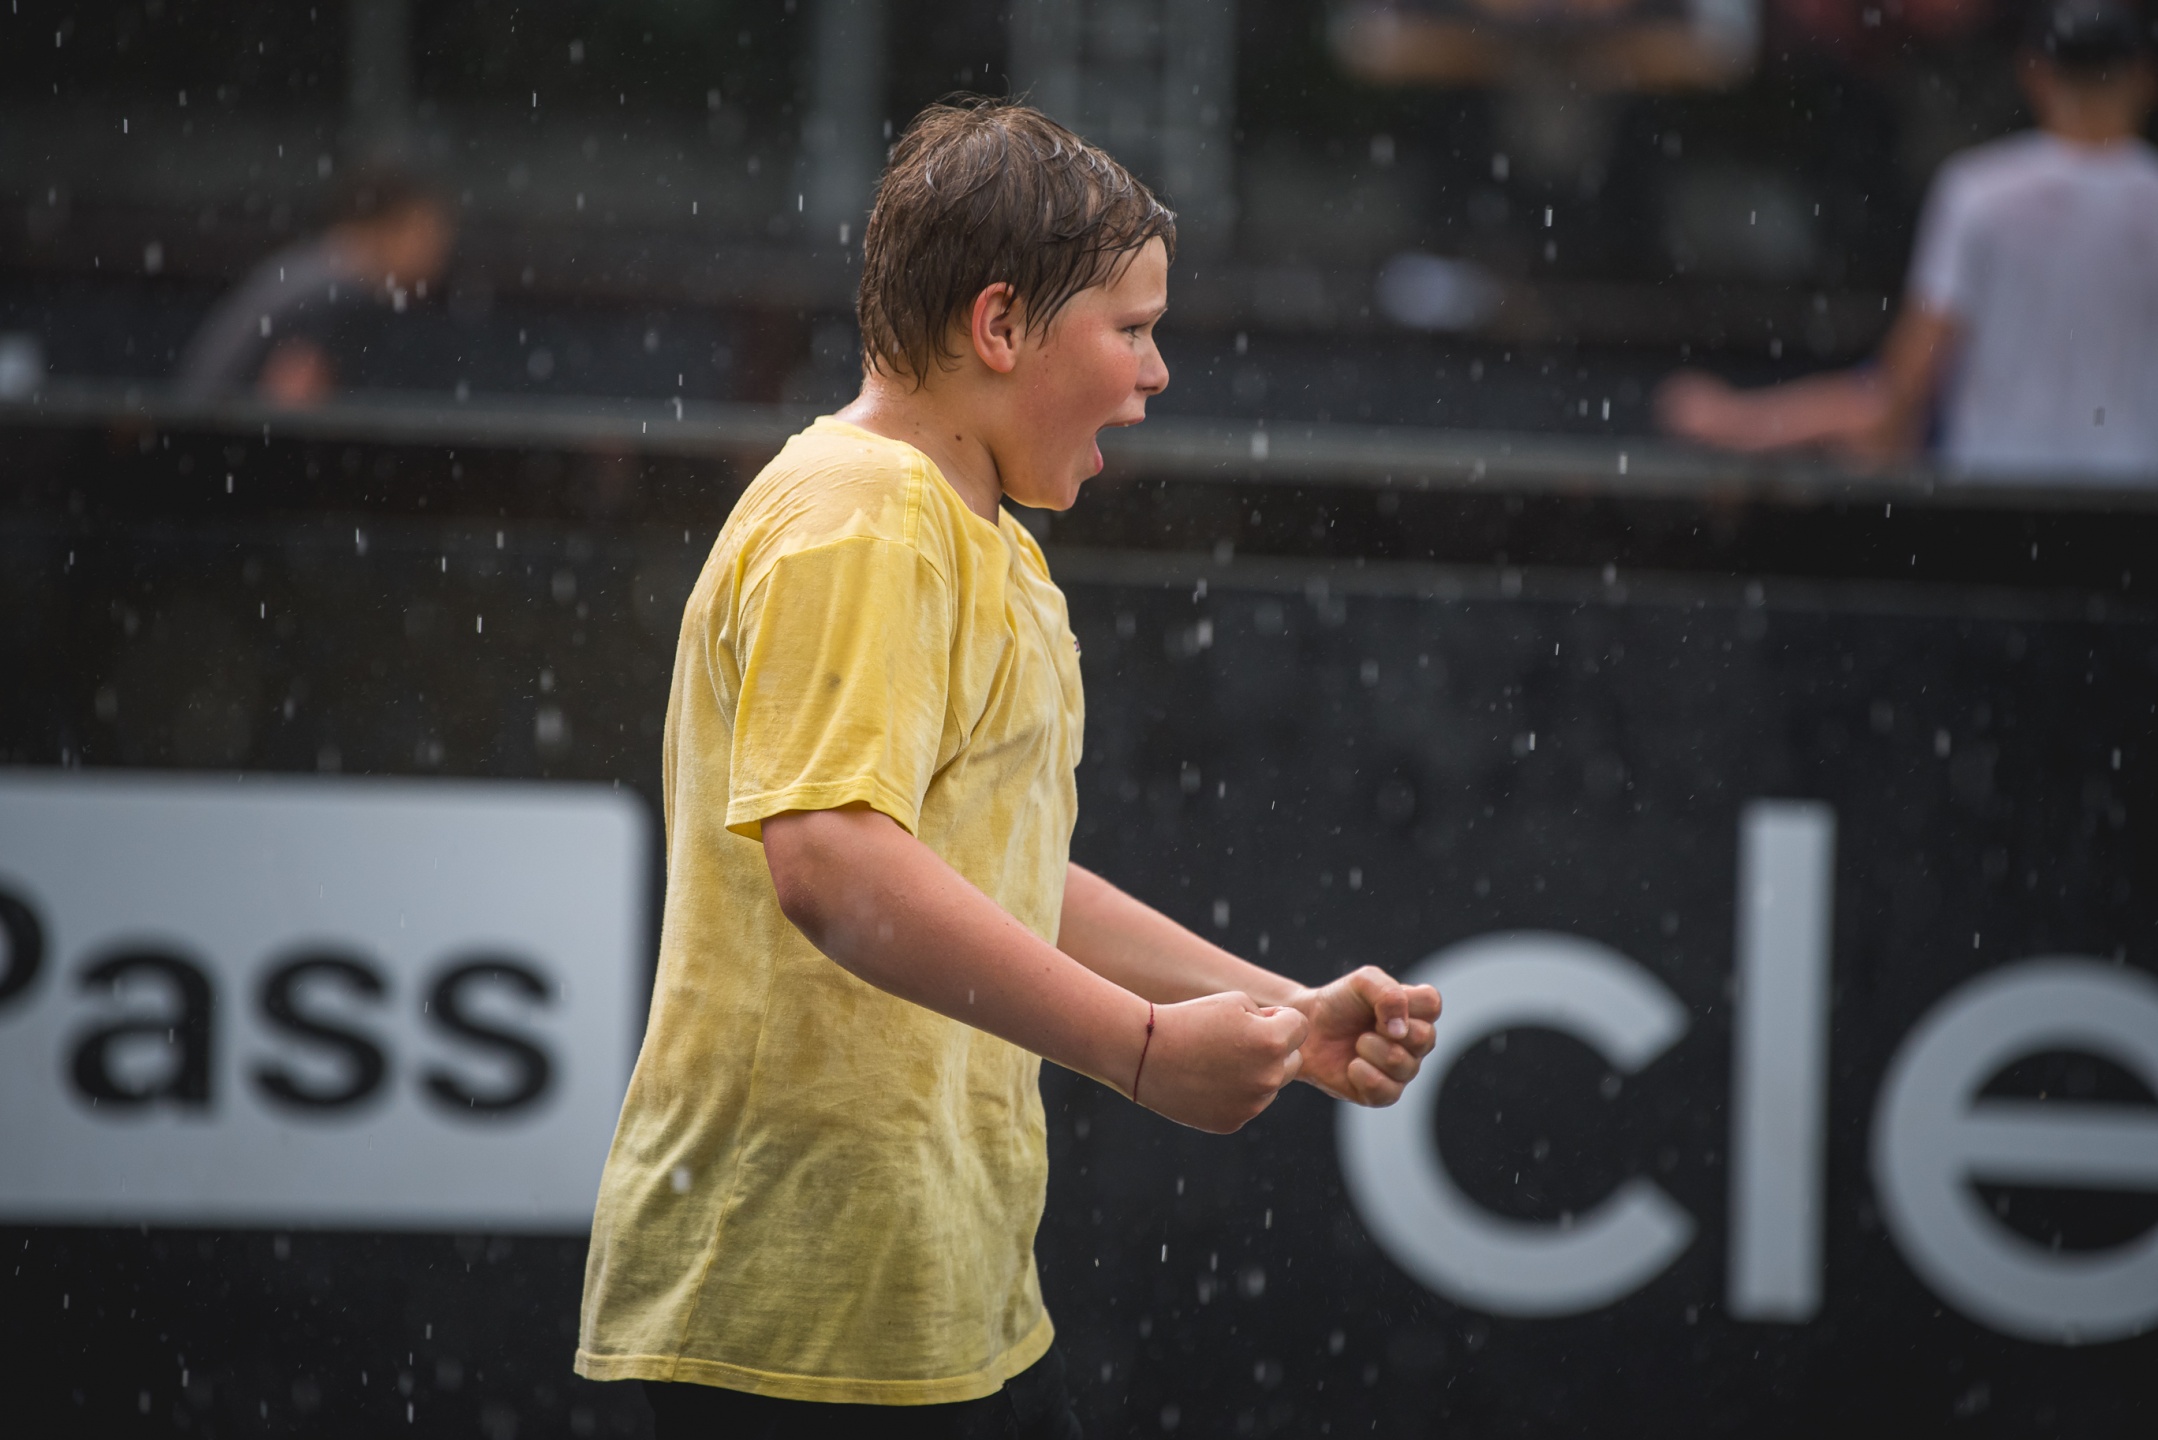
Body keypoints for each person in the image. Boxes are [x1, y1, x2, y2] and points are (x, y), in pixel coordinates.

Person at [573, 99, 1443, 1438]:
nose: (1156, 374)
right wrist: (1142, 1051)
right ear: (998, 326)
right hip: (782, 1325)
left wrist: (1282, 1018)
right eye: (1132, 331)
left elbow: (999, 875)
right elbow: (835, 865)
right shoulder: (861, 516)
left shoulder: (985, 542)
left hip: (927, 1307)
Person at [1657, 0, 2158, 480]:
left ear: (2036, 74)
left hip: (1999, 500)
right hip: (2132, 507)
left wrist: (1746, 424)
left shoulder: (1980, 194)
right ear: (2144, 79)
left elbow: (1909, 380)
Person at [173, 167, 454, 405]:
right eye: (427, 235)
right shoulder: (331, 293)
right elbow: (290, 406)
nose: (440, 253)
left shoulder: (318, 272)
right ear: (390, 227)